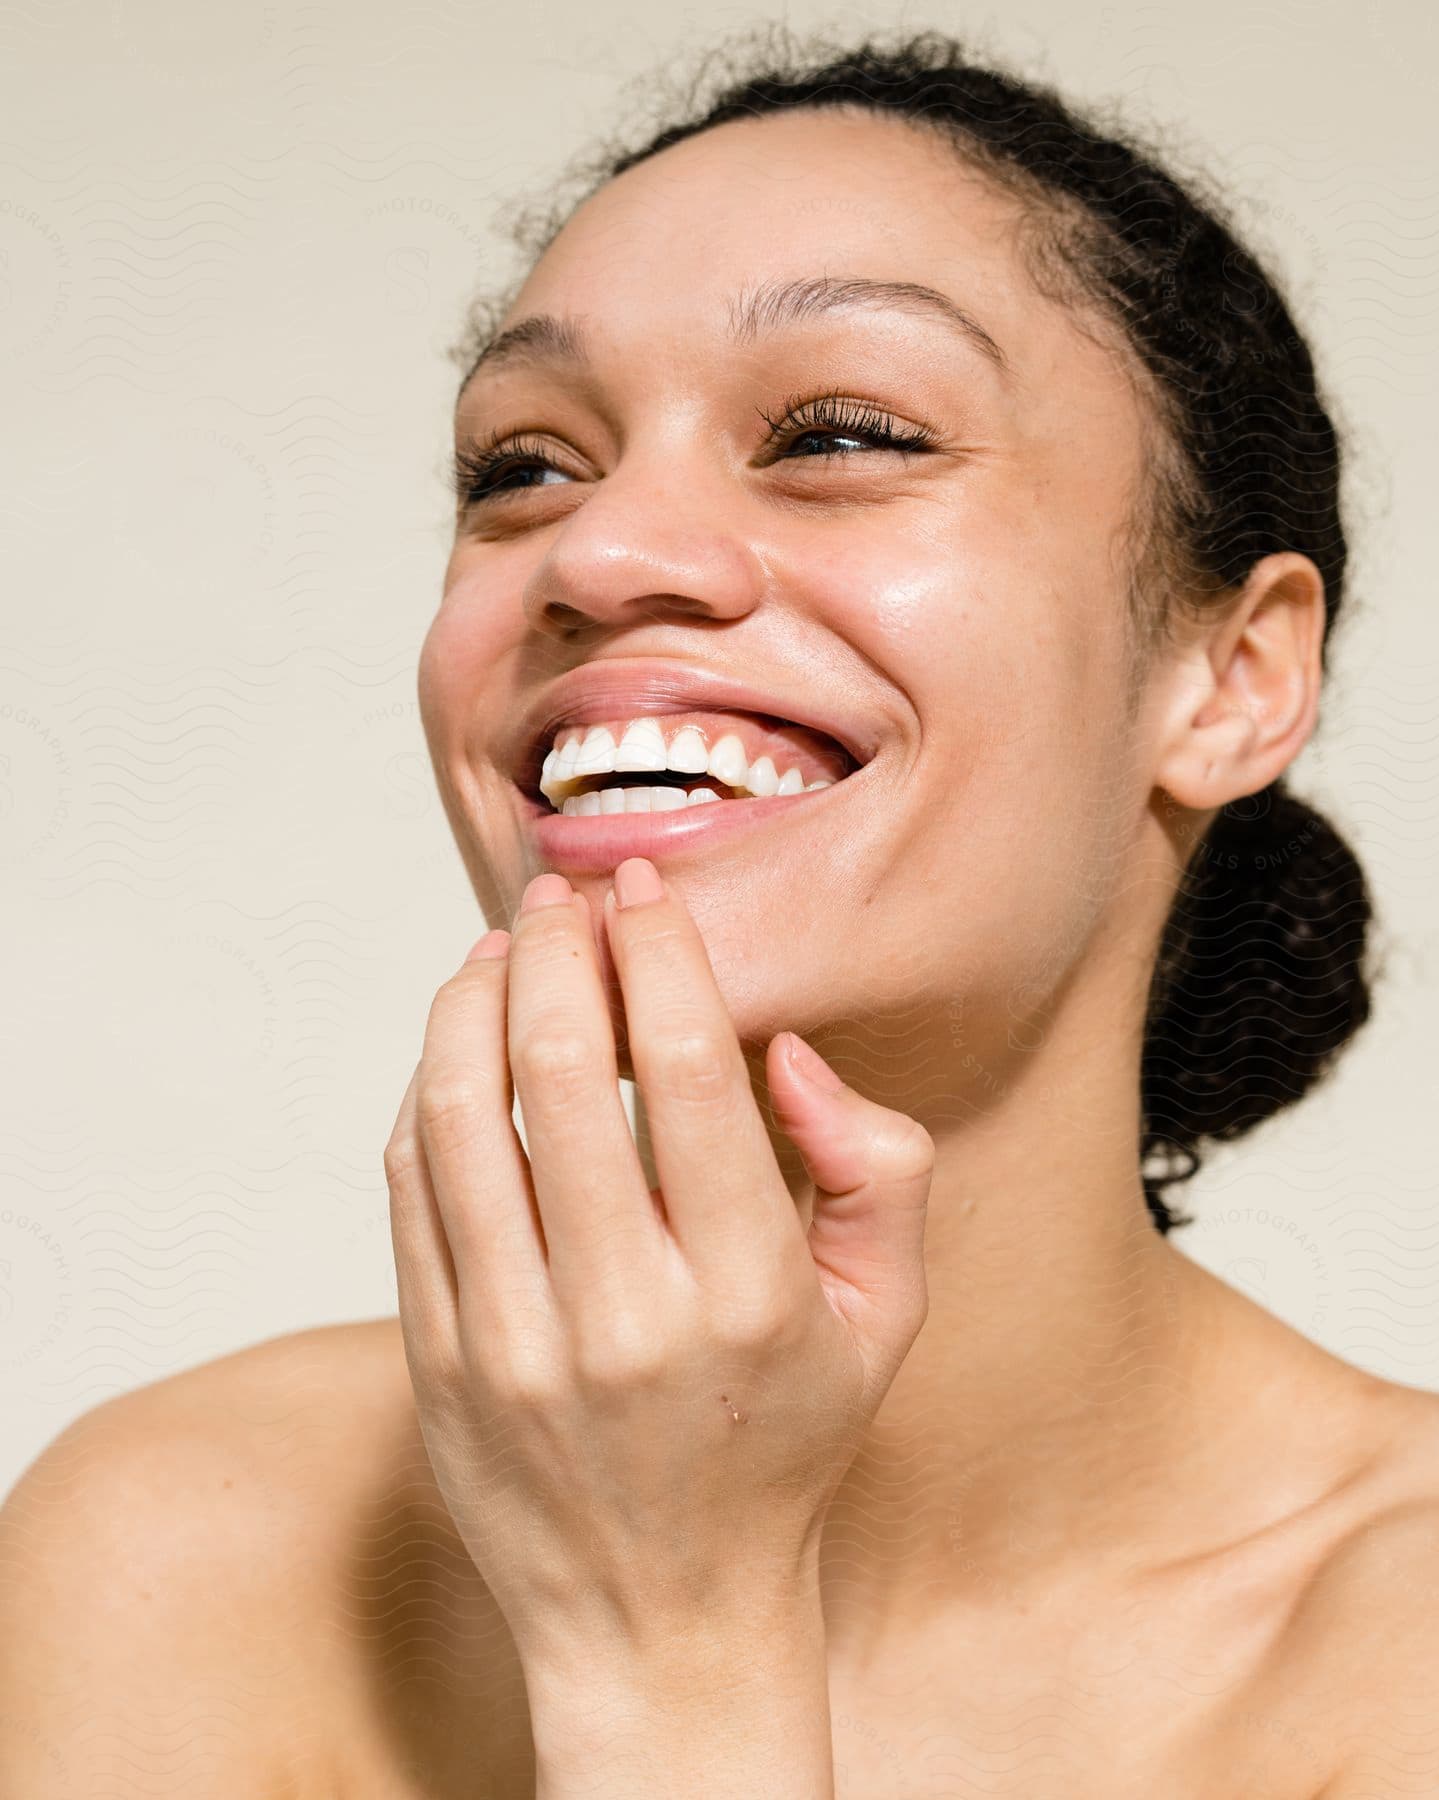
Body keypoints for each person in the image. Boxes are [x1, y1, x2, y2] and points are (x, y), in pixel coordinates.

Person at [3, 26, 1436, 1799]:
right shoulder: (173, 1550)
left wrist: (668, 1648)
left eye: (841, 433)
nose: (598, 555)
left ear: (1229, 677)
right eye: (522, 464)